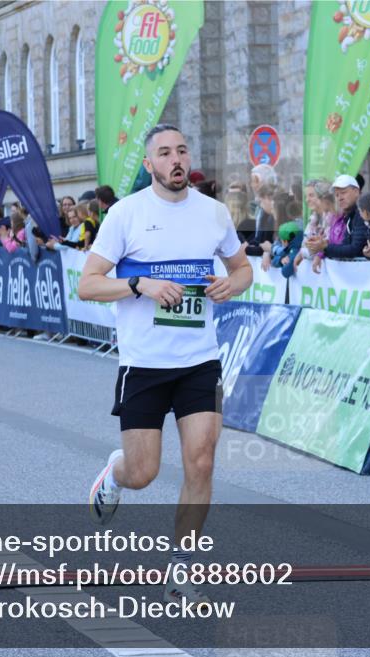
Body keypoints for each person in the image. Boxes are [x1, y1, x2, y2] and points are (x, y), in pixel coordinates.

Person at [80, 124, 252, 610]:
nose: (175, 159)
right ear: (149, 164)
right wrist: (140, 285)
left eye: (181, 150)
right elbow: (88, 285)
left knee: (201, 460)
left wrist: (230, 285)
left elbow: (243, 269)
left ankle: (182, 571)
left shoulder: (213, 212)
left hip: (200, 360)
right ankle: (114, 475)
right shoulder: (126, 214)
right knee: (144, 472)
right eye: (164, 153)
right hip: (145, 363)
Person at [304, 175, 368, 263]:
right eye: (337, 195)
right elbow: (344, 246)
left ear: (356, 192)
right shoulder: (349, 216)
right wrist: (323, 245)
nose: (340, 198)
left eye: (344, 192)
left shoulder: (363, 213)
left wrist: (324, 246)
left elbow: (354, 249)